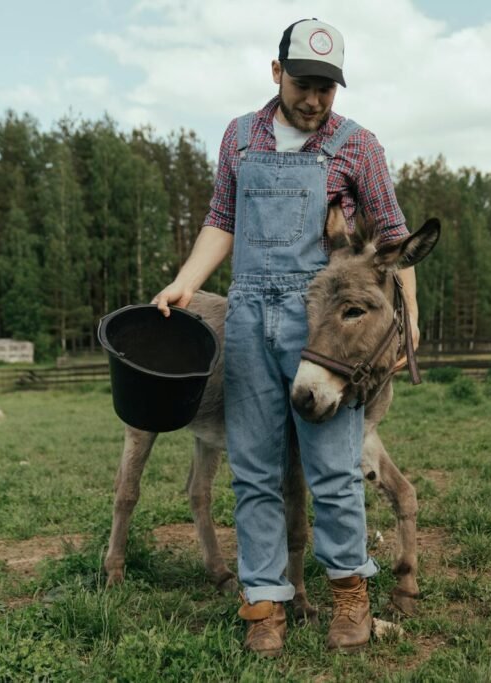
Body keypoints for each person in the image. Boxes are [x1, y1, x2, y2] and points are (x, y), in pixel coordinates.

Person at [152, 18, 417, 656]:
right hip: (247, 320)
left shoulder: (359, 146)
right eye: (304, 84)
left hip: (321, 326)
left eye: (328, 88)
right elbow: (222, 218)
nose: (316, 100)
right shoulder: (239, 138)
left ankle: (350, 597)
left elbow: (395, 237)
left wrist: (409, 320)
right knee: (255, 471)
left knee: (333, 471)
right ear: (277, 74)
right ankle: (264, 604)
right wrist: (186, 283)